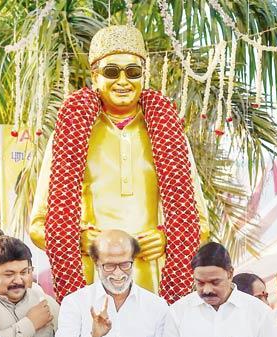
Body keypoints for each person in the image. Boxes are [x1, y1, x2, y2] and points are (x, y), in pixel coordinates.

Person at [30, 24, 208, 303]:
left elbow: (198, 223)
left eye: (133, 72)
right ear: (95, 76)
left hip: (154, 280)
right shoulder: (70, 133)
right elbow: (40, 226)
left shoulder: (168, 133)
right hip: (90, 279)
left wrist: (166, 240)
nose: (123, 81)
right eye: (112, 72)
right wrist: (79, 239)